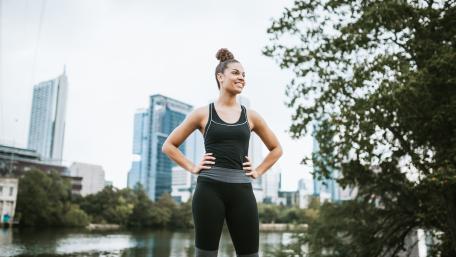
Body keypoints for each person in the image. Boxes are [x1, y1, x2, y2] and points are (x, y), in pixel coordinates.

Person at [162, 48, 283, 257]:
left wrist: (258, 171)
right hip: (209, 191)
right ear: (220, 77)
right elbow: (169, 145)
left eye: (244, 75)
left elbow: (277, 149)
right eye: (236, 73)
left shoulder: (251, 116)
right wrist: (193, 167)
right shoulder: (201, 113)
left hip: (242, 192)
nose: (242, 78)